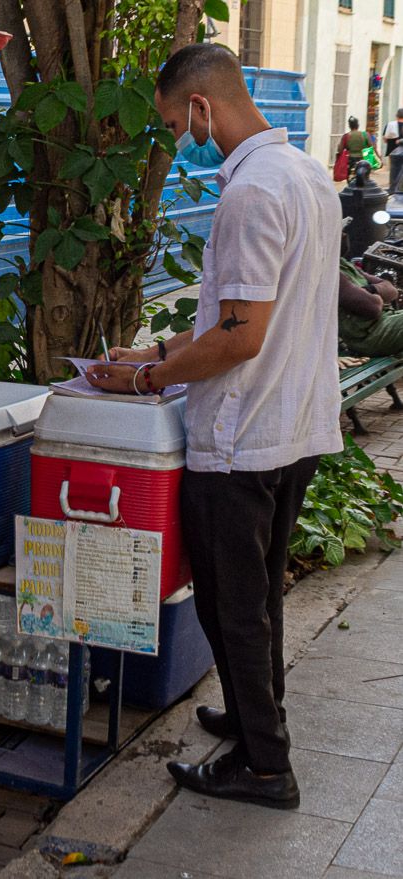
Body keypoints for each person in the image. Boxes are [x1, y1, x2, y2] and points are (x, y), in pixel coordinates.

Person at [87, 43, 342, 811]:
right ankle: (249, 716)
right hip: (292, 427)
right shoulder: (306, 178)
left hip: (241, 438)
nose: (175, 136)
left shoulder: (251, 194)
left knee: (229, 603)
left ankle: (266, 765)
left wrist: (147, 377)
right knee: (255, 596)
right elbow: (247, 315)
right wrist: (158, 347)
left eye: (173, 122)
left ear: (202, 105)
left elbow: (239, 335)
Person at [338, 257, 403, 355]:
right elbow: (373, 308)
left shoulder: (342, 262)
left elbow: (392, 291)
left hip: (387, 318)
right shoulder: (329, 271)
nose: (343, 240)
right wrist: (377, 294)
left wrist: (370, 289)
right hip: (368, 336)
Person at [342, 116, 376, 180]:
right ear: (358, 125)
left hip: (351, 161)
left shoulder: (346, 136)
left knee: (351, 180)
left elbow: (340, 149)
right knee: (364, 178)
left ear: (349, 126)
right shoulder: (365, 134)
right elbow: (372, 147)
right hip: (363, 160)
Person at [386, 108, 403, 192]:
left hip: (392, 149)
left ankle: (393, 186)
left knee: (393, 168)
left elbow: (385, 138)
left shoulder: (390, 124)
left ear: (396, 116)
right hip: (398, 149)